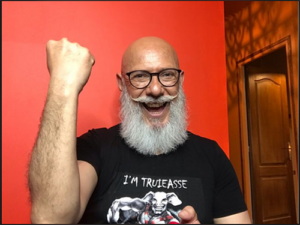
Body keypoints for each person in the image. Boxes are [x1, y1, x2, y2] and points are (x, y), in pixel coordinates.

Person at [28, 36, 252, 224]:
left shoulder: (211, 155)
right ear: (122, 83)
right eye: (140, 76)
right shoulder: (95, 146)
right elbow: (49, 218)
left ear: (180, 80)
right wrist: (63, 85)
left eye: (167, 75)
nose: (155, 89)